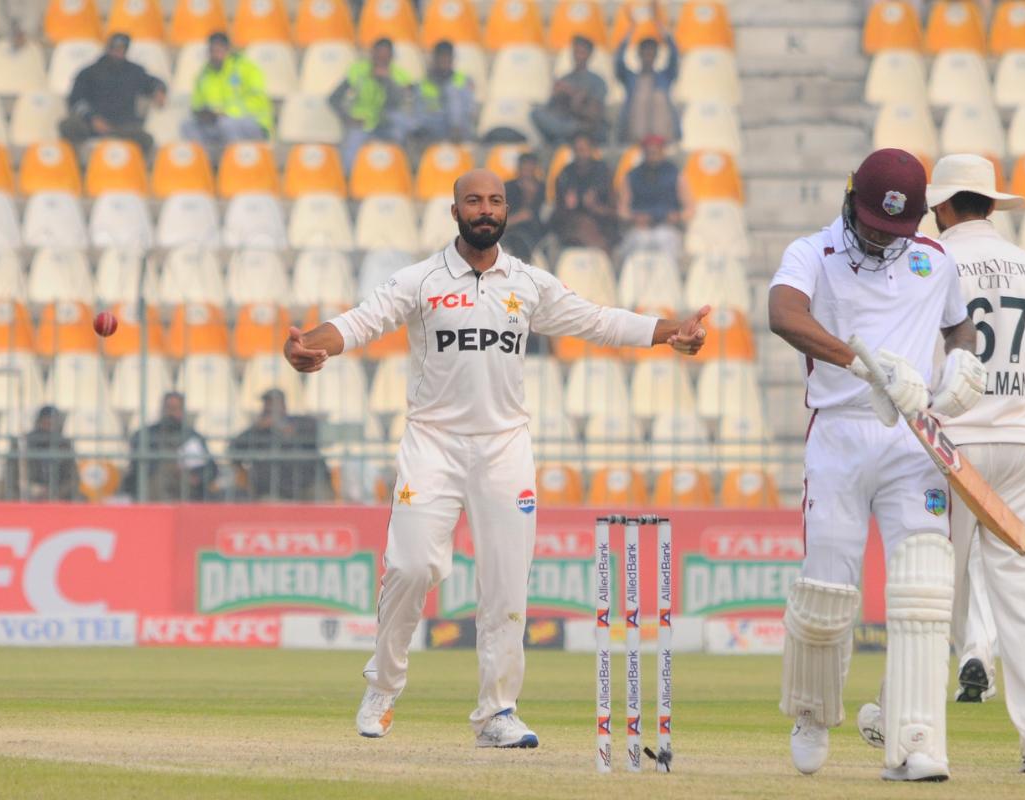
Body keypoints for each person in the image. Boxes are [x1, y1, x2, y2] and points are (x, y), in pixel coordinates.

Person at [282, 168, 710, 749]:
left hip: (504, 448)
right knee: (410, 568)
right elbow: (360, 321)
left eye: (496, 201)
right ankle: (382, 687)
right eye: (474, 201)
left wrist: (669, 332)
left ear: (505, 211)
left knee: (506, 588)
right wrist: (310, 345)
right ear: (453, 210)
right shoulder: (421, 280)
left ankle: (497, 712)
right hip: (432, 443)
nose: (486, 209)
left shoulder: (527, 282)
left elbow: (597, 320)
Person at [767, 148, 985, 781]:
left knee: (924, 590)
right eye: (870, 225)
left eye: (894, 231)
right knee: (827, 589)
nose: (878, 239)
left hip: (914, 440)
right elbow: (783, 314)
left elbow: (959, 326)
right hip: (840, 434)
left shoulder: (934, 260)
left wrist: (965, 363)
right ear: (849, 200)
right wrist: (861, 363)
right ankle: (811, 713)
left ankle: (915, 741)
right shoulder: (815, 251)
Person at [856, 154, 1025, 774]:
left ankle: (900, 710)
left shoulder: (928, 260)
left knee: (928, 589)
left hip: (950, 447)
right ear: (989, 204)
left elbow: (908, 355)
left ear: (943, 207)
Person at [58, 32, 167, 155]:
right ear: (108, 48)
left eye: (122, 49)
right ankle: (75, 164)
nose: (118, 52)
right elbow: (76, 100)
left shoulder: (134, 72)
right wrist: (92, 118)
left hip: (122, 127)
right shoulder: (88, 73)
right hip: (92, 126)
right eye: (115, 48)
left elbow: (152, 82)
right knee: (68, 125)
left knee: (145, 139)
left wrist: (159, 90)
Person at [230, 389, 331, 502]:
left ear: (283, 405)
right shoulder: (258, 430)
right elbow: (233, 449)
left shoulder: (302, 422)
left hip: (307, 485)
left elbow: (324, 435)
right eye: (266, 404)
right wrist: (257, 428)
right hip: (272, 490)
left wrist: (291, 429)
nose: (268, 408)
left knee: (322, 499)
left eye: (272, 403)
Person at [330, 38, 413, 173]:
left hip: (387, 123)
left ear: (391, 57)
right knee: (351, 147)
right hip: (362, 123)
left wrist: (387, 81)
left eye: (385, 57)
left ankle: (401, 176)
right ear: (372, 55)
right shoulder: (358, 70)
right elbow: (333, 99)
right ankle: (347, 179)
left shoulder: (400, 75)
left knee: (402, 129)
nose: (381, 60)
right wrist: (347, 118)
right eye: (378, 56)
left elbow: (398, 103)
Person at [182, 32, 273, 151]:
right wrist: (202, 114)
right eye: (212, 51)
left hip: (253, 124)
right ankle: (204, 164)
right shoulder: (204, 75)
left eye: (218, 51)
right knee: (188, 126)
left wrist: (227, 112)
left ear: (228, 50)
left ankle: (238, 163)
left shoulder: (247, 68)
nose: (215, 55)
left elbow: (258, 101)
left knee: (226, 124)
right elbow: (196, 104)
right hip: (217, 123)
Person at [122, 392, 218, 502]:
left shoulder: (193, 437)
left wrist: (197, 478)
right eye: (169, 408)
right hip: (153, 487)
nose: (171, 413)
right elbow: (137, 465)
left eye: (176, 408)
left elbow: (211, 468)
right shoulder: (146, 435)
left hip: (187, 488)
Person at [618, 134, 693, 262]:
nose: (652, 155)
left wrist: (678, 216)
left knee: (665, 242)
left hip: (666, 227)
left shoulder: (675, 174)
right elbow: (622, 210)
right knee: (636, 243)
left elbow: (690, 207)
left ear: (662, 151)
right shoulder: (632, 176)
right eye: (649, 152)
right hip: (640, 228)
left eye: (656, 151)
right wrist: (633, 218)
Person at [614, 1, 679, 144]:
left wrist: (660, 25)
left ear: (656, 55)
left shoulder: (665, 77)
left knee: (658, 98)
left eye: (651, 52)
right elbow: (618, 61)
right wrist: (631, 29)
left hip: (661, 140)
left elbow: (674, 56)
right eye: (645, 52)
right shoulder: (630, 78)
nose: (648, 55)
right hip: (635, 138)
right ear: (639, 54)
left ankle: (658, 143)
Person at [531, 35, 608, 145]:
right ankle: (564, 138)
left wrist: (572, 93)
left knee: (572, 133)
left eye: (582, 53)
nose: (578, 57)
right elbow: (551, 110)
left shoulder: (597, 81)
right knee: (536, 113)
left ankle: (565, 138)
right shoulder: (565, 78)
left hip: (586, 128)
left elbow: (594, 114)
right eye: (575, 52)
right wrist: (555, 95)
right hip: (566, 124)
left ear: (589, 55)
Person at [549, 132, 618, 252]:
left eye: (583, 150)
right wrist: (568, 206)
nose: (580, 154)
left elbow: (614, 208)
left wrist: (595, 207)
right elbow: (559, 207)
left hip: (600, 223)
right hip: (571, 223)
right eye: (577, 150)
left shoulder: (603, 172)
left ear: (592, 149)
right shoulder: (565, 173)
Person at [2, 405, 80, 501]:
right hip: (27, 494)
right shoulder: (23, 443)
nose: (49, 427)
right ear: (38, 422)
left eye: (52, 423)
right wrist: (30, 490)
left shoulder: (64, 445)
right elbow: (10, 475)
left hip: (57, 495)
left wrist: (56, 492)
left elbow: (72, 478)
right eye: (45, 423)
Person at [408, 40, 475, 144]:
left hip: (458, 129)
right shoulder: (423, 84)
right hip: (431, 129)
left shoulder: (463, 81)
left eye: (447, 57)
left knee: (452, 91)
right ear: (434, 59)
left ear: (452, 59)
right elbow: (418, 113)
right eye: (441, 57)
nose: (444, 61)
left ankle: (455, 135)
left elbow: (469, 111)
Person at [502, 152, 546, 261]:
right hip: (510, 229)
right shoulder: (508, 187)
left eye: (530, 169)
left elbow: (531, 214)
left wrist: (529, 195)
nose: (527, 173)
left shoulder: (541, 188)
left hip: (532, 230)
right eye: (524, 168)